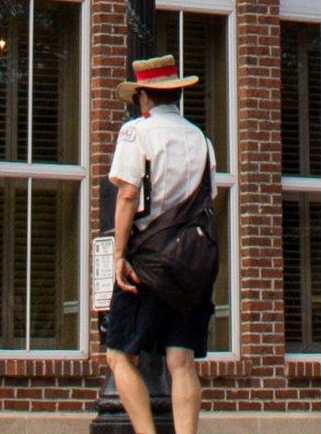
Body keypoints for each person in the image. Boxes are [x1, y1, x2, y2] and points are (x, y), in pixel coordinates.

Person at [105, 52, 218, 434]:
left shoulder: (137, 131)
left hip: (148, 262)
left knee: (119, 354)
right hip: (193, 264)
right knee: (182, 361)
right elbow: (208, 200)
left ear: (144, 97)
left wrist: (119, 255)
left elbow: (126, 196)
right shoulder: (202, 139)